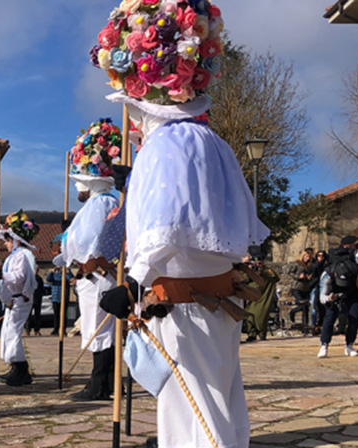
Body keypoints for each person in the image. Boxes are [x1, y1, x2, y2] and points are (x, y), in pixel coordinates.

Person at [93, 3, 268, 445]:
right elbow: (212, 215)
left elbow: (167, 223)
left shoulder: (165, 143)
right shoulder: (211, 141)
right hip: (214, 298)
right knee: (219, 405)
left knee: (195, 414)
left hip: (187, 306)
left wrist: (133, 281)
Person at [55, 118, 124, 402]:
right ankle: (105, 382)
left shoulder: (101, 204)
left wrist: (82, 258)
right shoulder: (98, 204)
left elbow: (96, 243)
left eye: (81, 180)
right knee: (99, 330)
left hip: (97, 276)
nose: (78, 187)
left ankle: (99, 385)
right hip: (92, 277)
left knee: (100, 331)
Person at [0, 211, 39, 386]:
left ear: (17, 239)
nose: (6, 244)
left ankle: (22, 369)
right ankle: (16, 366)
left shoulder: (22, 255)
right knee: (7, 332)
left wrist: (1, 275)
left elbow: (19, 276)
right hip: (13, 299)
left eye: (8, 241)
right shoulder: (15, 255)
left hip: (20, 299)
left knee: (13, 333)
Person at [319, 243, 358, 358]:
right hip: (333, 295)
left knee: (354, 318)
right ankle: (324, 345)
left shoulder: (357, 274)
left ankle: (349, 345)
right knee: (329, 318)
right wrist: (328, 298)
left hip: (352, 294)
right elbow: (322, 296)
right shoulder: (327, 275)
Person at [242, 250, 279, 342]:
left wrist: (262, 271)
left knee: (260, 317)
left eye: (260, 261)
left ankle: (262, 334)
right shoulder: (250, 270)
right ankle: (251, 334)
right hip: (251, 297)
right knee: (249, 317)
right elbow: (243, 279)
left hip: (263, 298)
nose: (258, 263)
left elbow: (275, 277)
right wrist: (251, 271)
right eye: (256, 261)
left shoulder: (267, 270)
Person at [287, 251, 313, 331]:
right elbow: (289, 272)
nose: (307, 258)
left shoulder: (310, 265)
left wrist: (309, 277)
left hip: (306, 287)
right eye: (305, 256)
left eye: (308, 257)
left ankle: (305, 326)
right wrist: (298, 276)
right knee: (301, 304)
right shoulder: (297, 264)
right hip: (297, 287)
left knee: (306, 307)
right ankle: (293, 312)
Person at [46, 265, 73, 337]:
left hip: (64, 298)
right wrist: (52, 271)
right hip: (55, 298)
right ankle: (55, 329)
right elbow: (48, 279)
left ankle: (63, 330)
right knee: (56, 315)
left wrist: (68, 271)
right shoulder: (54, 275)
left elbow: (71, 279)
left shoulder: (66, 275)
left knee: (63, 315)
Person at [310, 250, 328, 334]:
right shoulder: (314, 265)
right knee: (315, 306)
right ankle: (315, 325)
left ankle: (322, 324)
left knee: (323, 306)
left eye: (322, 256)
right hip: (316, 287)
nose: (320, 258)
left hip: (325, 287)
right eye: (319, 256)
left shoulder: (326, 265)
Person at [27, 267, 44, 336]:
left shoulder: (40, 279)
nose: (36, 271)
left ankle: (37, 330)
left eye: (37, 270)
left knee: (37, 315)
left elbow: (42, 289)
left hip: (37, 299)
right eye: (35, 269)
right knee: (28, 316)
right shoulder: (29, 278)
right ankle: (28, 330)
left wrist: (40, 295)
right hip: (30, 299)